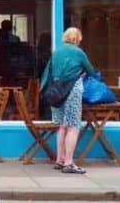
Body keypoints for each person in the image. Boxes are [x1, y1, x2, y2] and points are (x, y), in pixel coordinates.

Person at [40, 26, 96, 174]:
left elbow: (48, 73)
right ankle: (69, 163)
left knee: (62, 126)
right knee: (73, 126)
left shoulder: (57, 51)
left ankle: (59, 160)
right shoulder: (78, 52)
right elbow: (91, 70)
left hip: (57, 92)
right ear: (77, 39)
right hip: (72, 90)